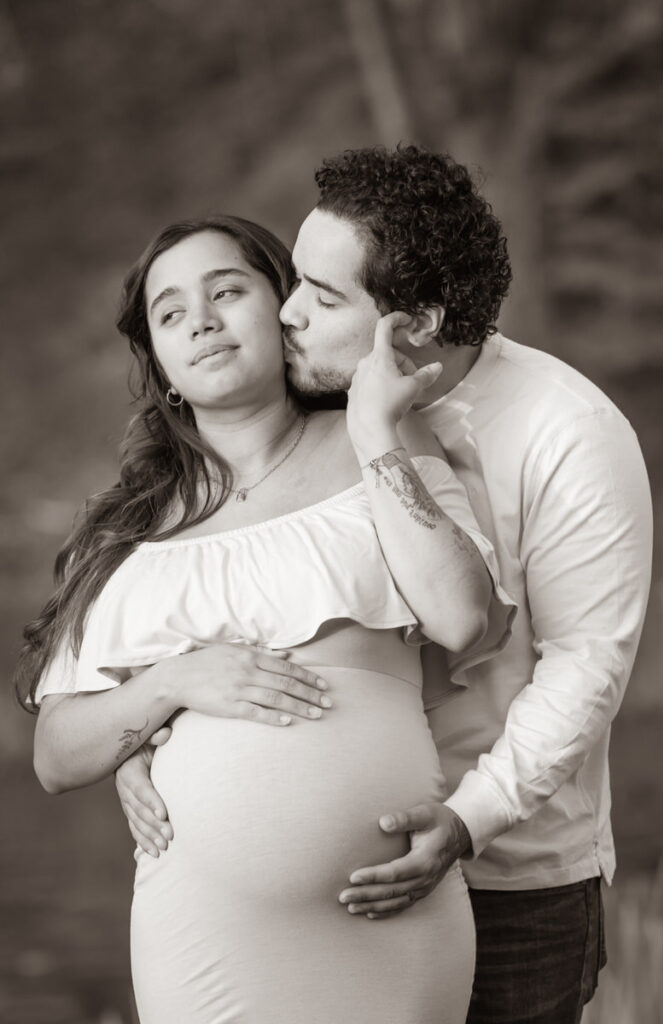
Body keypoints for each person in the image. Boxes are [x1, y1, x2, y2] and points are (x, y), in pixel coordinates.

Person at [117, 145, 653, 1024]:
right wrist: (146, 737)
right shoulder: (305, 410)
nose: (285, 313)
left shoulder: (570, 433)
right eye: (295, 280)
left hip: (508, 879)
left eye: (323, 299)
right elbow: (244, 599)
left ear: (414, 322)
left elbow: (586, 667)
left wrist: (468, 818)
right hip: (328, 903)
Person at [18, 214, 516, 1023]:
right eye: (171, 313)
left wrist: (373, 429)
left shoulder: (378, 439)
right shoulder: (128, 531)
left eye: (227, 292)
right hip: (206, 937)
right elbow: (55, 755)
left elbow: (463, 617)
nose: (202, 321)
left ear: (283, 309)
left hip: (388, 918)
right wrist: (168, 687)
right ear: (163, 362)